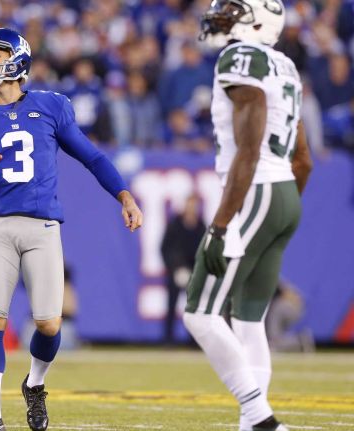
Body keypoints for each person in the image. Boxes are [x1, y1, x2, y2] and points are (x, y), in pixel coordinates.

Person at [0, 28, 143, 431]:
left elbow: (91, 156)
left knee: (50, 324)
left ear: (18, 60)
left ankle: (34, 383)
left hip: (43, 227)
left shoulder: (52, 106)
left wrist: (124, 195)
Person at [184, 1, 313, 431]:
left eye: (233, 10)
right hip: (284, 194)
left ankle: (259, 417)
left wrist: (222, 222)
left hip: (255, 188)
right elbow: (304, 160)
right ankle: (251, 423)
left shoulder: (241, 57)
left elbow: (249, 147)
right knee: (247, 316)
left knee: (199, 312)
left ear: (258, 20)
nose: (220, 16)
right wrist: (281, 208)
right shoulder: (285, 66)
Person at [160, 194, 206, 344]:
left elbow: (203, 251)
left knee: (193, 308)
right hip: (176, 271)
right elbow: (165, 248)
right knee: (171, 306)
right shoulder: (175, 224)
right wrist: (174, 268)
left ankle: (193, 341)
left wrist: (197, 273)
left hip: (193, 274)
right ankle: (168, 339)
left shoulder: (200, 226)